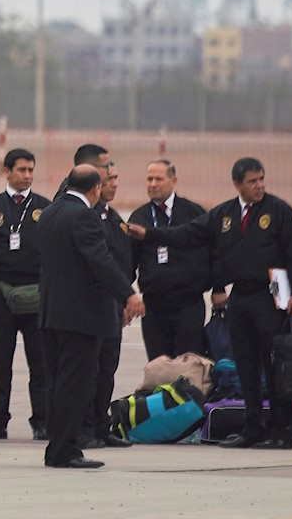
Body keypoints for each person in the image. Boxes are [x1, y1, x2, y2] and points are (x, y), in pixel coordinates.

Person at [129, 157, 292, 449]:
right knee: (245, 364)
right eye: (252, 181)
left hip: (269, 298)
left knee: (273, 365)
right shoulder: (224, 214)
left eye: (261, 179)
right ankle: (253, 428)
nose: (259, 185)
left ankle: (281, 429)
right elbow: (187, 233)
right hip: (240, 298)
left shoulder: (279, 211)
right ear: (237, 184)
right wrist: (149, 234)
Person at [38, 165, 144, 469]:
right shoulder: (84, 215)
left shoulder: (50, 212)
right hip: (79, 317)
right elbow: (100, 259)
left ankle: (57, 447)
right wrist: (129, 294)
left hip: (50, 313)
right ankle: (65, 451)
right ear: (95, 188)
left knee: (59, 384)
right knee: (75, 385)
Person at [0, 147, 52, 441]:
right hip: (1, 294)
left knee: (41, 362)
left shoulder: (46, 208)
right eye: (21, 170)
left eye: (31, 170)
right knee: (0, 362)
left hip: (37, 293)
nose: (27, 175)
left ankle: (42, 420)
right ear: (6, 171)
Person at [128, 159, 211, 360]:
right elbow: (129, 262)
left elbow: (212, 253)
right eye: (149, 179)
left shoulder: (193, 213)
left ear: (173, 181)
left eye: (158, 178)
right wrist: (125, 296)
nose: (153, 184)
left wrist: (217, 289)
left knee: (188, 366)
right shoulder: (139, 217)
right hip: (154, 306)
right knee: (159, 367)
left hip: (188, 303)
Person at [80, 162, 135, 450]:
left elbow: (123, 262)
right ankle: (85, 427)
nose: (114, 184)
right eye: (108, 179)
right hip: (91, 306)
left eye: (115, 178)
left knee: (107, 368)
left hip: (113, 306)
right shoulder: (84, 217)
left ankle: (101, 426)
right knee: (88, 370)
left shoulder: (113, 218)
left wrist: (126, 298)